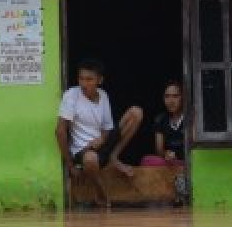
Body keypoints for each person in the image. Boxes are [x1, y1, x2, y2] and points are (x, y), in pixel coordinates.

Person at [55, 58, 144, 207]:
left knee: (136, 113)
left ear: (100, 80)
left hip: (103, 144)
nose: (84, 83)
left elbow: (107, 128)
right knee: (90, 159)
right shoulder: (71, 95)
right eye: (81, 79)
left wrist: (102, 139)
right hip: (83, 151)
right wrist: (70, 165)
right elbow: (59, 131)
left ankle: (114, 156)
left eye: (89, 79)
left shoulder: (103, 95)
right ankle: (100, 192)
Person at [145, 81, 191, 206]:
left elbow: (193, 147)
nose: (171, 101)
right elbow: (158, 149)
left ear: (183, 97)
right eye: (167, 96)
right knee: (147, 161)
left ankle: (180, 190)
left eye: (175, 96)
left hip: (186, 163)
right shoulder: (160, 119)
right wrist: (165, 153)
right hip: (169, 163)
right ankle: (176, 191)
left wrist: (180, 158)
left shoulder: (190, 118)